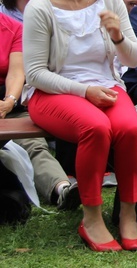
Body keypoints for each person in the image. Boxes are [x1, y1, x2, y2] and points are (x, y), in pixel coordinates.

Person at [24, 0, 137, 251]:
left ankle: (128, 213)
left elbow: (133, 60)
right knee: (95, 127)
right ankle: (91, 217)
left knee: (131, 129)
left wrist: (118, 36)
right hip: (54, 93)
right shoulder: (41, 7)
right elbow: (35, 74)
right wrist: (83, 91)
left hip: (106, 87)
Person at [0, 12, 81, 211]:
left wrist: (9, 101)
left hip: (8, 108)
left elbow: (17, 72)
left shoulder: (13, 27)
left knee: (35, 146)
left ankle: (61, 189)